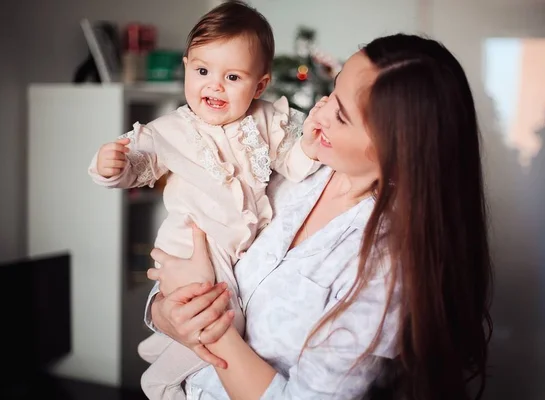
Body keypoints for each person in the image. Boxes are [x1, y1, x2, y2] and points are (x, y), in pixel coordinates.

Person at [146, 32, 493, 400]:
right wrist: (167, 312)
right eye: (333, 90)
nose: (319, 111)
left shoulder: (387, 266)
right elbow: (195, 261)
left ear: (397, 149)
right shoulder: (293, 165)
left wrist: (212, 328)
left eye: (341, 116)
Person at [87, 2, 322, 399]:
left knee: (215, 320)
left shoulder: (267, 120)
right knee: (226, 323)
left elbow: (295, 164)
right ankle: (160, 380)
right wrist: (108, 167)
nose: (213, 85)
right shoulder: (172, 129)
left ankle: (164, 348)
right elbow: (138, 164)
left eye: (232, 76)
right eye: (202, 71)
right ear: (186, 68)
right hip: (192, 244)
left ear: (260, 85)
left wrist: (313, 146)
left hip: (239, 251)